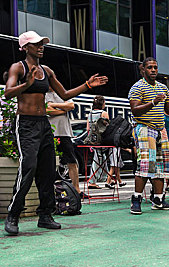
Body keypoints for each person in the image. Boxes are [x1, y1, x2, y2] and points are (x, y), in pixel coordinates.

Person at [4, 31, 108, 235]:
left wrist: (87, 85)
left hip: (44, 124)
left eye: (42, 43)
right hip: (25, 124)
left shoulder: (47, 71)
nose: (41, 46)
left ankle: (45, 215)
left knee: (47, 170)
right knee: (29, 167)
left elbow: (65, 94)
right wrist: (26, 85)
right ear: (26, 47)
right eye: (36, 44)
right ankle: (13, 215)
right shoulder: (19, 67)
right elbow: (8, 93)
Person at [128, 57, 169, 214]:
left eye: (155, 67)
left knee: (162, 165)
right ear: (143, 69)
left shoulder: (163, 88)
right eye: (150, 67)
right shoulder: (137, 87)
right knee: (146, 164)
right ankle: (136, 199)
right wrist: (152, 102)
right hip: (144, 128)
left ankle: (158, 199)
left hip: (161, 130)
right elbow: (135, 109)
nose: (153, 70)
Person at [45, 86, 86, 198]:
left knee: (72, 161)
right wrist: (63, 110)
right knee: (49, 163)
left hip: (64, 133)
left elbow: (71, 105)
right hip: (50, 133)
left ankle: (76, 191)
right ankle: (52, 192)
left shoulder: (62, 94)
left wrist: (53, 105)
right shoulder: (43, 94)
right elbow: (46, 110)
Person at [86, 95, 109, 190]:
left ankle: (108, 178)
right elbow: (108, 127)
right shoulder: (104, 113)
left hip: (93, 139)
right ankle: (92, 181)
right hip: (102, 140)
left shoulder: (90, 114)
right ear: (102, 103)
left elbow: (88, 128)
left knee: (101, 158)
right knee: (99, 159)